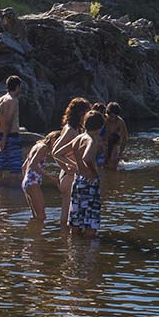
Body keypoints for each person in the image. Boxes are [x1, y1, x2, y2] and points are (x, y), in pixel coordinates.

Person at [54, 104, 107, 237]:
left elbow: (58, 153)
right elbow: (87, 157)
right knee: (91, 222)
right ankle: (89, 254)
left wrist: (74, 166)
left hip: (78, 181)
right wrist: (93, 173)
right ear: (100, 127)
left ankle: (74, 251)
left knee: (76, 220)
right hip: (90, 182)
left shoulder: (78, 138)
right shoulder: (91, 140)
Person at [51, 98, 92, 228]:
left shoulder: (69, 127)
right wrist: (71, 167)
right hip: (69, 177)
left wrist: (66, 167)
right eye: (87, 113)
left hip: (66, 176)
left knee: (66, 213)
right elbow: (56, 152)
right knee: (69, 217)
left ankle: (64, 243)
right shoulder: (71, 131)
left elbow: (56, 151)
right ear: (81, 114)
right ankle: (67, 243)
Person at [21, 132, 59, 224]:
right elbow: (33, 164)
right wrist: (50, 178)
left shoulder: (37, 146)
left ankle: (33, 233)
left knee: (35, 216)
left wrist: (26, 181)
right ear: (53, 139)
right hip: (32, 182)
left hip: (27, 182)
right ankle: (38, 237)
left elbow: (24, 166)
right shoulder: (43, 147)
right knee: (42, 216)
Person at [0, 76, 23, 185]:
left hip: (1, 136)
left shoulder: (0, 100)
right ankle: (15, 197)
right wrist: (4, 139)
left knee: (0, 168)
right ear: (17, 87)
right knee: (17, 170)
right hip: (12, 137)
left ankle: (1, 193)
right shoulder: (13, 101)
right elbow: (9, 121)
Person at [105, 102, 130, 171]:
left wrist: (120, 152)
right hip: (105, 141)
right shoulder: (104, 120)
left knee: (113, 162)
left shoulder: (120, 122)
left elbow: (124, 138)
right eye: (111, 116)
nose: (113, 119)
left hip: (115, 141)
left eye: (115, 116)